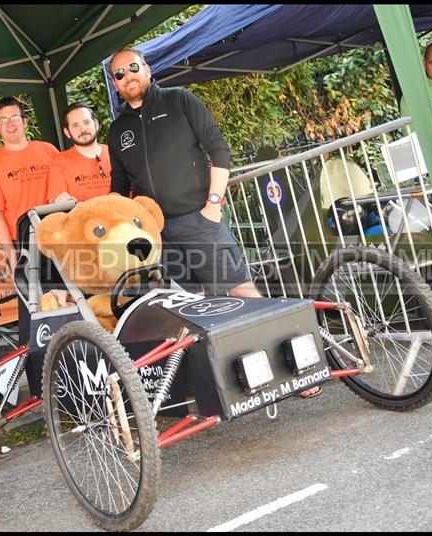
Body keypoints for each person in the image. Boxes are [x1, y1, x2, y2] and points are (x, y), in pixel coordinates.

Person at [106, 47, 321, 398]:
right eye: (119, 73)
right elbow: (118, 189)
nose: (128, 76)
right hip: (160, 234)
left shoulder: (179, 100)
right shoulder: (117, 131)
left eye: (133, 67)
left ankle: (297, 371)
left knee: (242, 290)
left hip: (199, 219)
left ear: (146, 68)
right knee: (193, 307)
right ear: (115, 85)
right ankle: (229, 384)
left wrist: (214, 205)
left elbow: (218, 150)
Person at [0, 96, 59, 394]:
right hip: (24, 245)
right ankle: (41, 384)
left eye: (15, 117)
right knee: (34, 313)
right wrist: (10, 254)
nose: (10, 124)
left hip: (58, 238)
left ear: (25, 122)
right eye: (3, 120)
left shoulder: (47, 150)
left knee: (69, 302)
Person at [47, 103, 112, 203]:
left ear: (96, 124)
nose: (83, 129)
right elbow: (56, 201)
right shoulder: (59, 162)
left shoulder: (114, 153)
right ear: (67, 132)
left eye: (86, 122)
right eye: (75, 125)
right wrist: (57, 200)